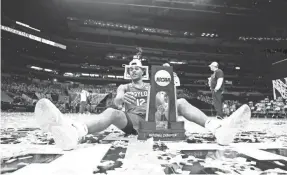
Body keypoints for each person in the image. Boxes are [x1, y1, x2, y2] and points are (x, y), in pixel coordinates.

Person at [35, 59, 251, 150]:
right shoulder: (124, 86)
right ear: (129, 71)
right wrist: (121, 101)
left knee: (182, 101)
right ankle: (74, 133)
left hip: (153, 121)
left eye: (137, 67)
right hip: (132, 121)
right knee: (110, 111)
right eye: (131, 68)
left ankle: (218, 128)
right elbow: (116, 101)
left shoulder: (152, 85)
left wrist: (164, 107)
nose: (134, 69)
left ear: (143, 71)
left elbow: (162, 106)